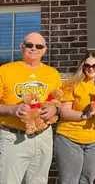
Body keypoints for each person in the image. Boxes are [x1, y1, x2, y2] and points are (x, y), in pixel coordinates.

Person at [0, 32, 62, 184]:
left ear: (44, 49)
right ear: (22, 47)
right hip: (14, 136)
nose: (34, 48)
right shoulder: (5, 70)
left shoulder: (52, 73)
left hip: (43, 136)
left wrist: (54, 109)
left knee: (39, 181)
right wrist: (12, 110)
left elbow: (59, 100)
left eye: (38, 46)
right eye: (29, 45)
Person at [55, 52, 95, 184]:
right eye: (87, 65)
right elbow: (64, 112)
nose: (91, 69)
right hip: (70, 139)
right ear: (82, 67)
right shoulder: (72, 84)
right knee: (69, 181)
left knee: (88, 180)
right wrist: (85, 115)